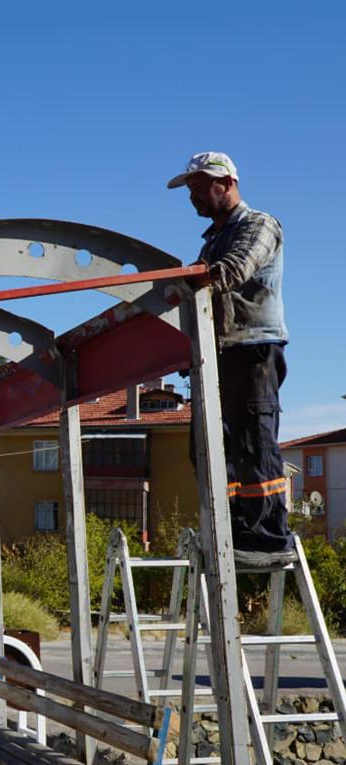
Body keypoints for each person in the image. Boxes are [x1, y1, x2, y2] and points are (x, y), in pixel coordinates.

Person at [168, 152, 292, 552]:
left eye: (201, 187)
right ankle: (230, 528)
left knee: (254, 441)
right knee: (209, 446)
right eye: (191, 190)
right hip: (214, 354)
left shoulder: (259, 225)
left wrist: (176, 285)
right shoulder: (211, 241)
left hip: (253, 348)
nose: (195, 197)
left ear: (228, 183)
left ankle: (268, 535)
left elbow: (233, 270)